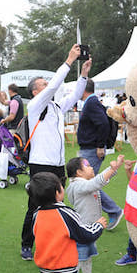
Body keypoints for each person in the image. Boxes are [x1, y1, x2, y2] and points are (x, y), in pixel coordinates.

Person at [20, 44, 91, 261]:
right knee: (35, 205)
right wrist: (69, 60)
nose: (48, 86)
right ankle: (26, 244)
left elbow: (77, 94)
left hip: (58, 164)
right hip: (40, 163)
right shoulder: (34, 106)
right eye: (43, 84)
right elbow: (53, 87)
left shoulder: (57, 106)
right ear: (35, 91)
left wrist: (84, 74)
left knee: (58, 203)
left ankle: (54, 240)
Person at [66, 154, 124, 273]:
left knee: (88, 257)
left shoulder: (84, 182)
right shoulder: (77, 185)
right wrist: (112, 169)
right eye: (87, 166)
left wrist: (113, 169)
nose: (91, 167)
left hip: (91, 229)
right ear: (78, 172)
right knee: (78, 261)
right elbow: (96, 183)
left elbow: (95, 183)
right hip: (82, 231)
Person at [77, 78, 124, 230]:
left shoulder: (91, 103)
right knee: (88, 184)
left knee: (89, 184)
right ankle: (106, 212)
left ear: (83, 89)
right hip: (89, 148)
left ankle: (114, 211)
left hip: (92, 148)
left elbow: (103, 123)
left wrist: (99, 146)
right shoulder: (91, 102)